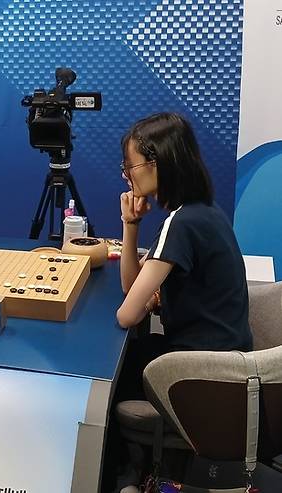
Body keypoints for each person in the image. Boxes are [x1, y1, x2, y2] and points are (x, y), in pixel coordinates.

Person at [107, 112, 252, 492]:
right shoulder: (201, 211)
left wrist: (144, 301)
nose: (126, 175)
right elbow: (133, 287)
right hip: (225, 358)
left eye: (129, 165)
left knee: (111, 375)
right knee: (133, 354)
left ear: (157, 164)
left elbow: (127, 314)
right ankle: (139, 468)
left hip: (204, 371)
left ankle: (124, 475)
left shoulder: (182, 222)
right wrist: (131, 224)